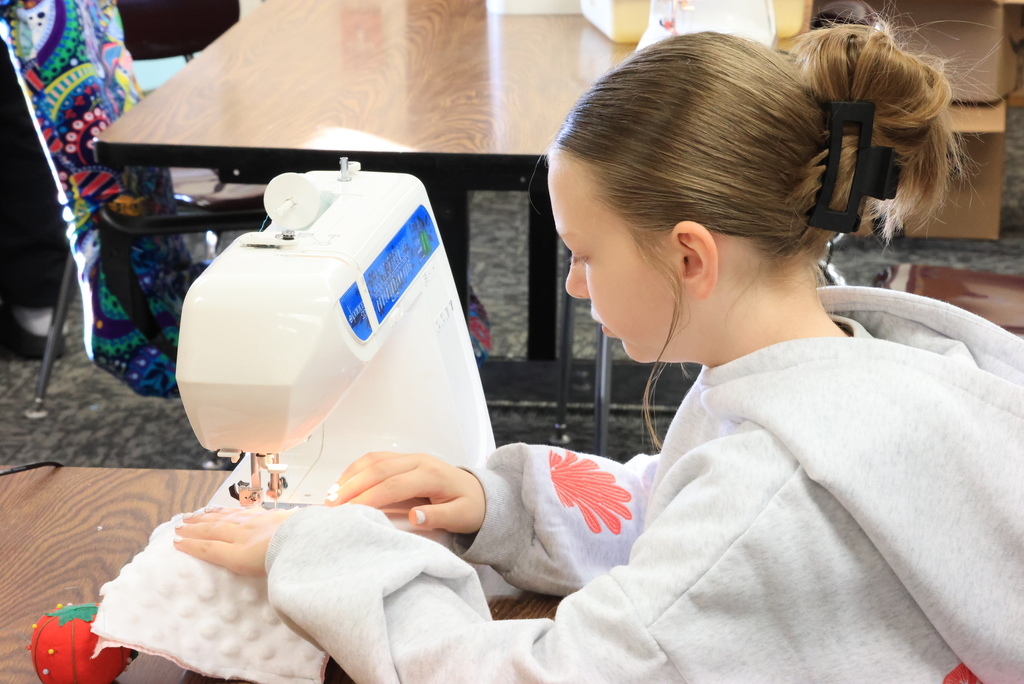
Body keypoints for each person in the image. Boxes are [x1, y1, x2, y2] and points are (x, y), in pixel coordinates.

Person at [172, 25, 1024, 683]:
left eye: (585, 254)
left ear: (690, 257)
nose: (575, 286)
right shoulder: (843, 364)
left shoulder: (770, 495)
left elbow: (549, 673)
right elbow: (678, 508)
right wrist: (497, 504)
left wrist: (325, 557)